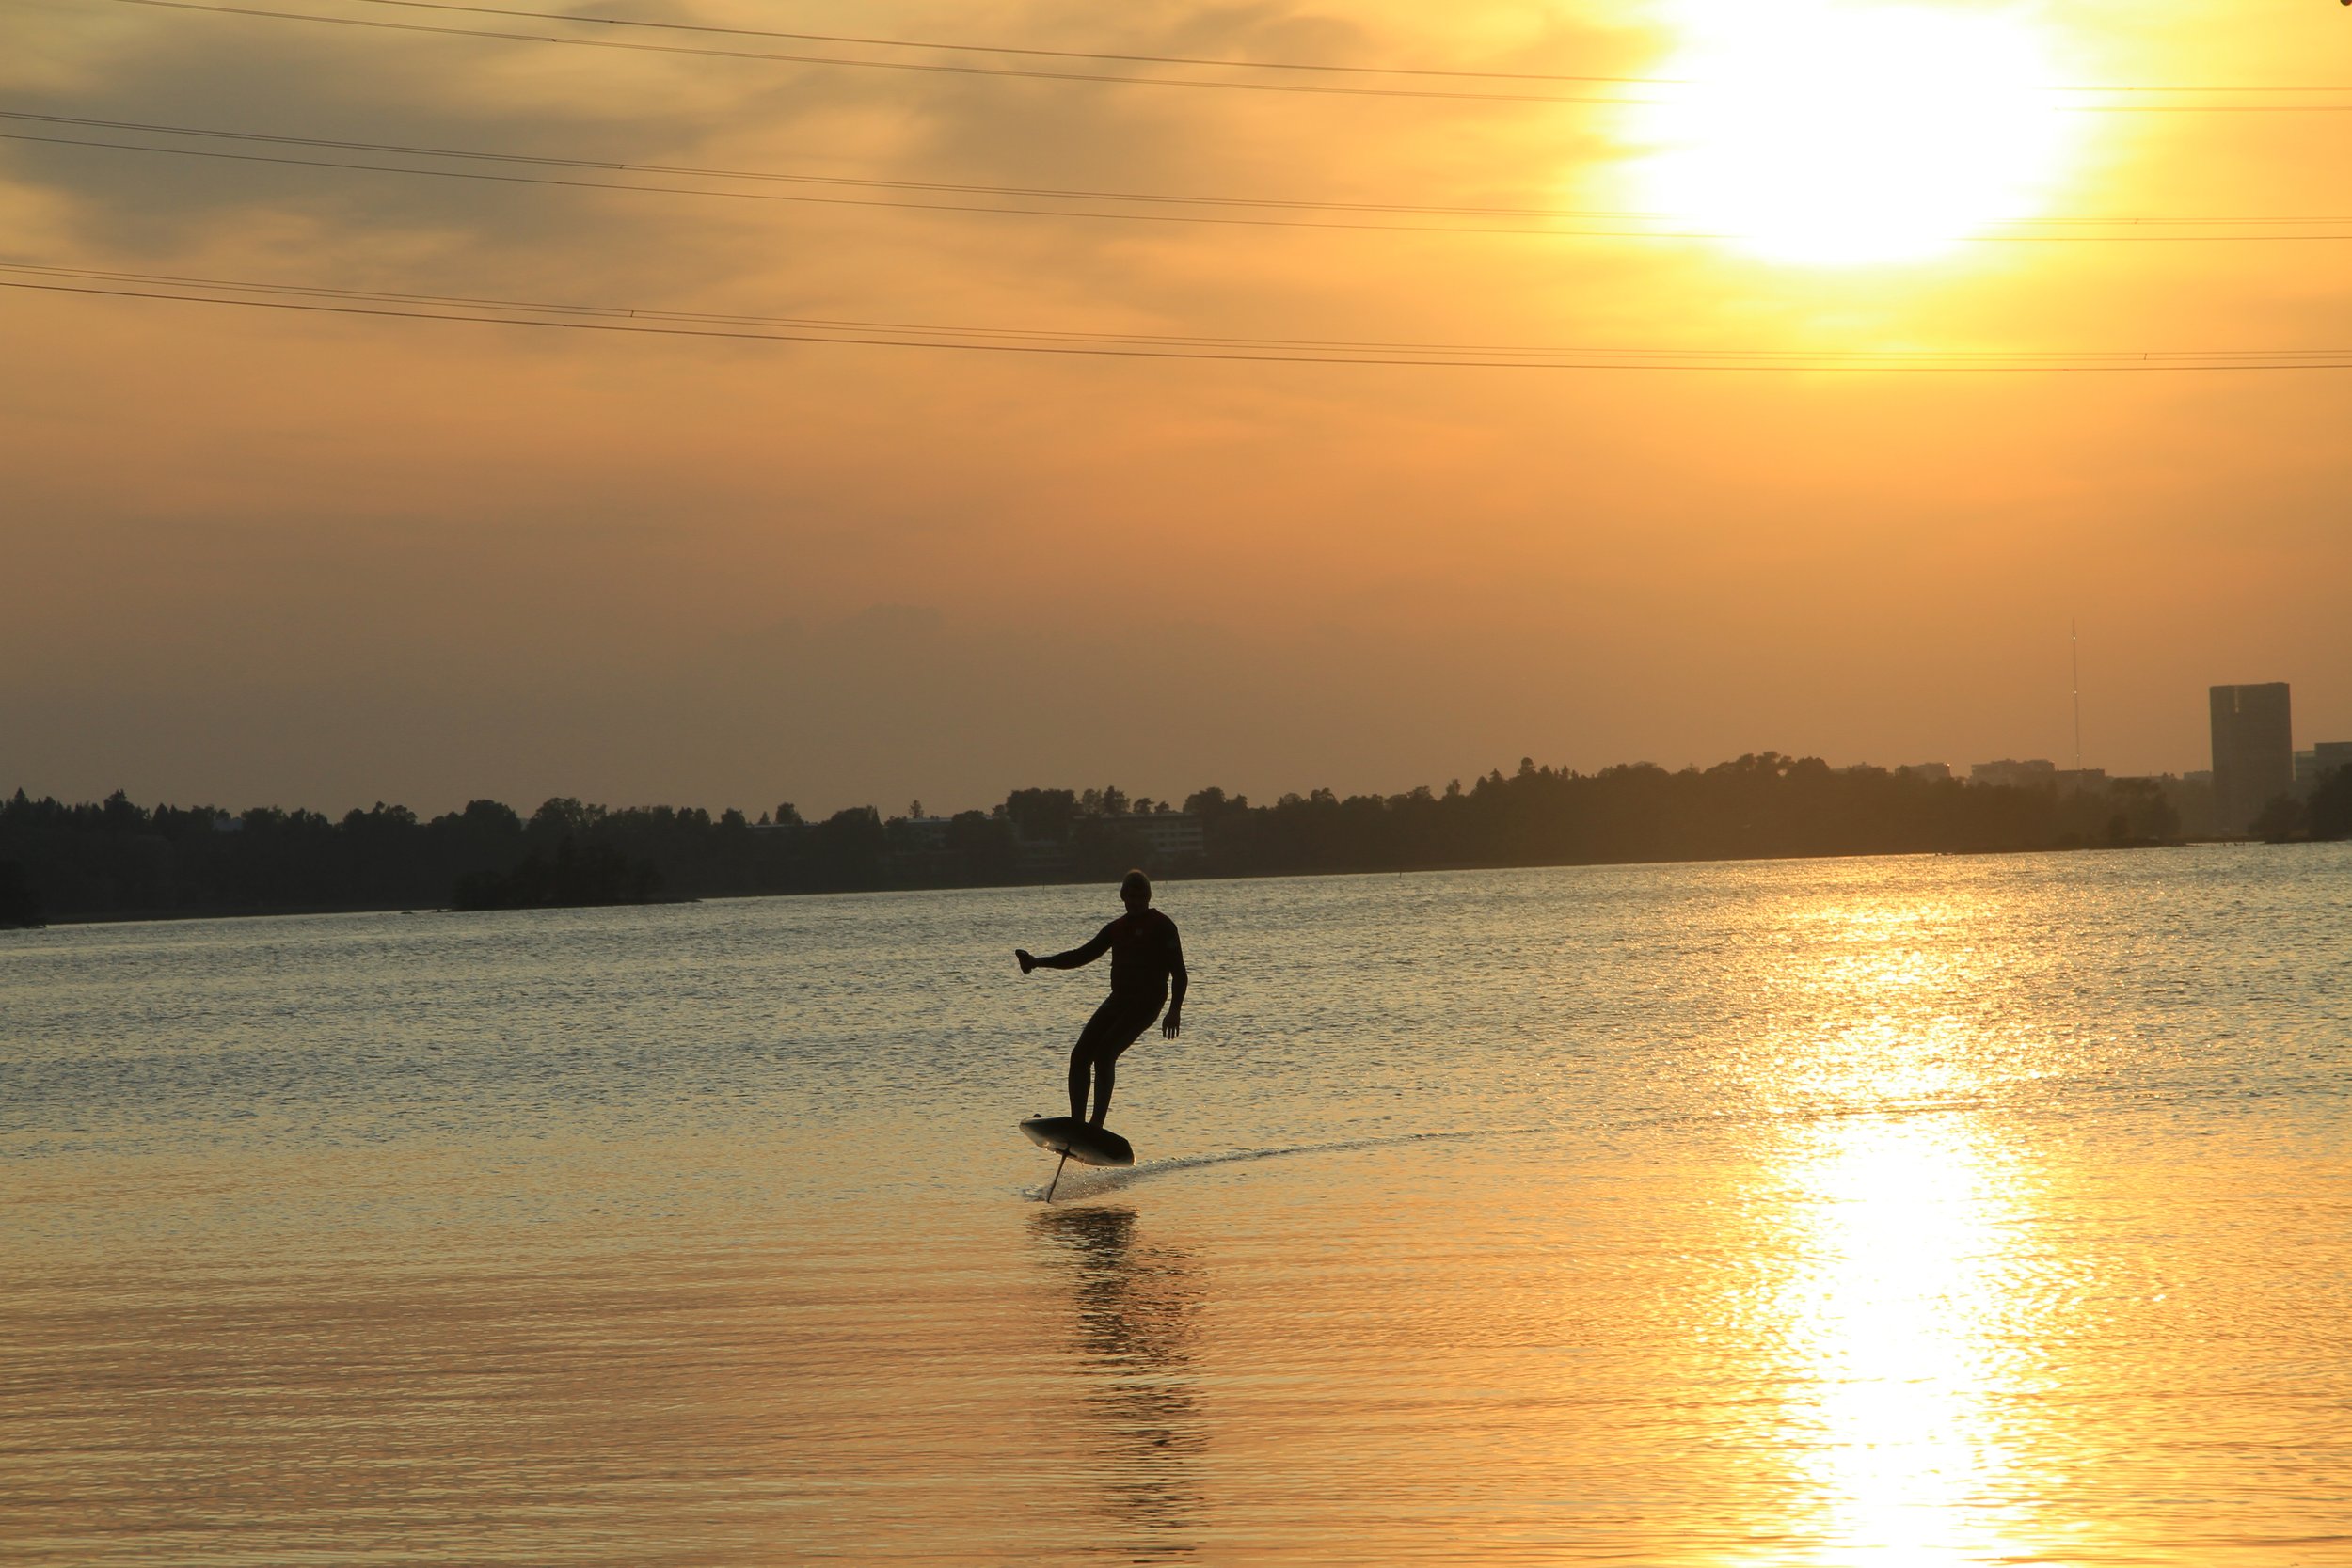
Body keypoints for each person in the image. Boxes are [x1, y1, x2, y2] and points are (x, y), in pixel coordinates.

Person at [1017, 870, 1186, 1128]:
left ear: (1149, 897)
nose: (1137, 901)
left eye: (1142, 896)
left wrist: (1174, 1010)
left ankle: (1095, 1126)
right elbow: (1081, 955)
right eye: (1132, 896)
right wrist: (1038, 962)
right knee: (1080, 1056)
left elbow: (1180, 974)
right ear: (1123, 897)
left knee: (1105, 1053)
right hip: (1119, 1000)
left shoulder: (1163, 926)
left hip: (1147, 1002)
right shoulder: (1116, 929)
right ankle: (1078, 1125)